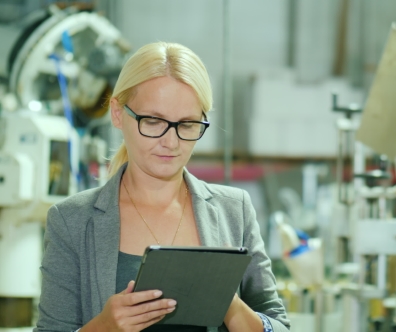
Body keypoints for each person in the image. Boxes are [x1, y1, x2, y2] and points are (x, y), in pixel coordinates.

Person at [35, 42, 290, 332]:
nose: (171, 142)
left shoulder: (234, 209)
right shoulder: (72, 221)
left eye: (187, 124)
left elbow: (278, 324)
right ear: (118, 114)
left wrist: (229, 304)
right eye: (153, 121)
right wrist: (104, 327)